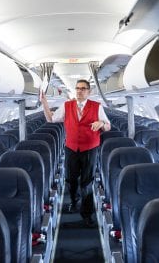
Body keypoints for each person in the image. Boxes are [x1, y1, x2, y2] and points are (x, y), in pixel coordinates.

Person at [40, 79, 111, 226]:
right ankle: (74, 201)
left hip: (90, 149)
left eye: (83, 89)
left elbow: (108, 126)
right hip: (71, 148)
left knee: (87, 182)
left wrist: (101, 124)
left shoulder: (97, 107)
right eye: (77, 88)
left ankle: (87, 213)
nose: (79, 91)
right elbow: (51, 119)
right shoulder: (67, 105)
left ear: (88, 91)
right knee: (71, 180)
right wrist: (44, 103)